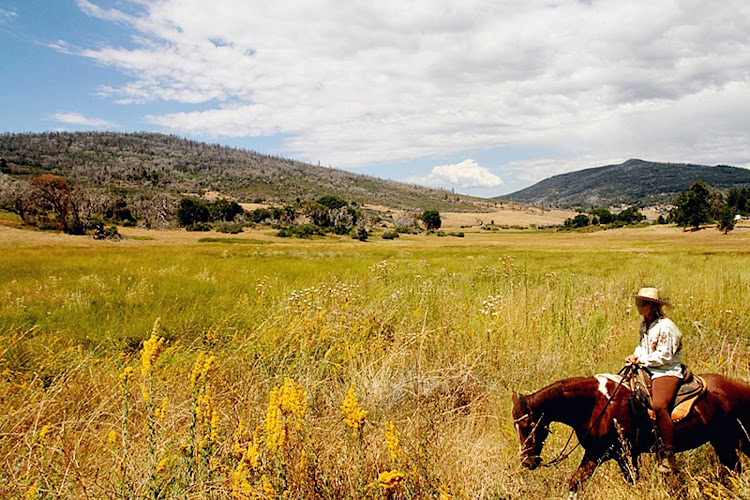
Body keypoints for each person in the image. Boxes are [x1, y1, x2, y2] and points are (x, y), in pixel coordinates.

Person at [624, 287, 683, 474]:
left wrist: (641, 360)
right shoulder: (645, 325)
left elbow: (665, 355)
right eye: (637, 303)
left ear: (651, 305)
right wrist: (635, 356)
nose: (638, 307)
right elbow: (642, 347)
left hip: (666, 370)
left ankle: (668, 453)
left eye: (641, 303)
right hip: (648, 368)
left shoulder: (667, 326)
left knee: (659, 405)